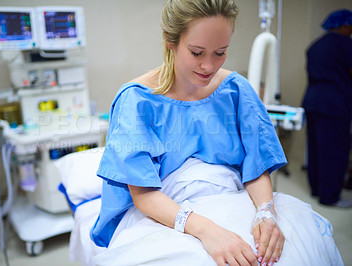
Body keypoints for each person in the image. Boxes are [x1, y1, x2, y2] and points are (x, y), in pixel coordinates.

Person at [89, 1, 288, 265]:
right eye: (197, 53)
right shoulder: (137, 100)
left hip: (234, 199)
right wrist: (209, 231)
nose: (208, 66)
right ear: (170, 41)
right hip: (167, 213)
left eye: (220, 52)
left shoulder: (236, 90)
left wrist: (266, 211)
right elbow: (143, 194)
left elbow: (257, 167)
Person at [302, 9, 352, 208]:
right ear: (343, 25)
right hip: (334, 102)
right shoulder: (345, 44)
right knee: (335, 150)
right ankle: (330, 196)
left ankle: (316, 189)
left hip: (312, 100)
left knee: (316, 148)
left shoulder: (315, 45)